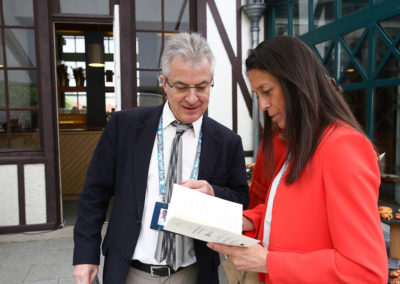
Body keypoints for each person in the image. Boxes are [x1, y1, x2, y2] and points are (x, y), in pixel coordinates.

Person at [208, 35, 388, 283]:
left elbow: (364, 271)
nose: (262, 105)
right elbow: (296, 214)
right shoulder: (300, 142)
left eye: (267, 91)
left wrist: (267, 261)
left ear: (295, 83)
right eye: (258, 94)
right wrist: (249, 219)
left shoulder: (342, 147)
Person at [73, 32, 249, 284]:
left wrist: (213, 193)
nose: (192, 98)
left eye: (201, 86)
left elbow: (241, 201)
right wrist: (85, 255)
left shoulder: (227, 142)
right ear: (164, 82)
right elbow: (94, 194)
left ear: (211, 81)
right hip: (131, 273)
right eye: (180, 86)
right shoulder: (124, 127)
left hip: (194, 273)